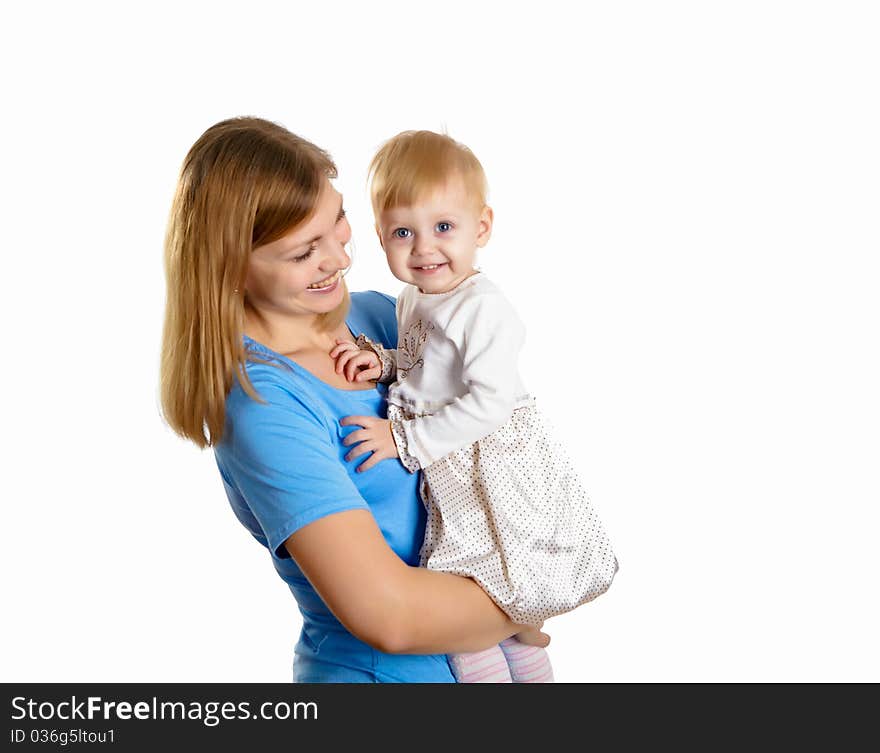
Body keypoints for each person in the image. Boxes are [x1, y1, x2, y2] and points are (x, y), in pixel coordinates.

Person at [160, 117, 549, 683]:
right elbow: (389, 615)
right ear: (230, 268)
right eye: (303, 253)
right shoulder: (264, 406)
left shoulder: (380, 315)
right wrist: (542, 588)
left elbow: (494, 430)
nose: (340, 259)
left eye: (338, 220)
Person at [331, 130, 619, 683]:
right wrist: (385, 362)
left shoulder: (485, 308)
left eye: (443, 227)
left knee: (483, 593)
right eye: (403, 232)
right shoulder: (417, 294)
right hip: (452, 462)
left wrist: (402, 440)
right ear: (381, 237)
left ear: (481, 227)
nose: (423, 248)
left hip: (489, 461)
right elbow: (425, 360)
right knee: (477, 600)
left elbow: (489, 402)